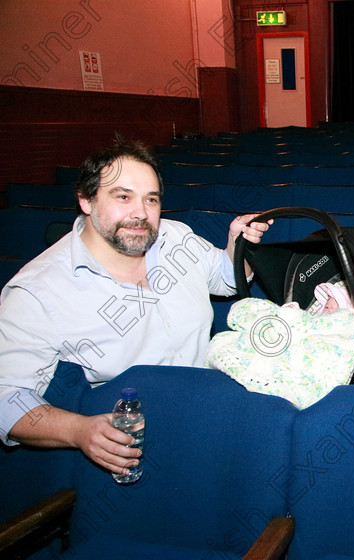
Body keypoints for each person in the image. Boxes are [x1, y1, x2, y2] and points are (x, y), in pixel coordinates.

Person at [0, 137, 273, 477]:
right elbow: (7, 399)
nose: (141, 213)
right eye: (123, 196)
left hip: (214, 410)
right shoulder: (37, 292)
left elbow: (226, 280)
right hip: (139, 447)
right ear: (86, 200)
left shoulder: (176, 239)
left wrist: (237, 247)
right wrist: (79, 431)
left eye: (151, 199)